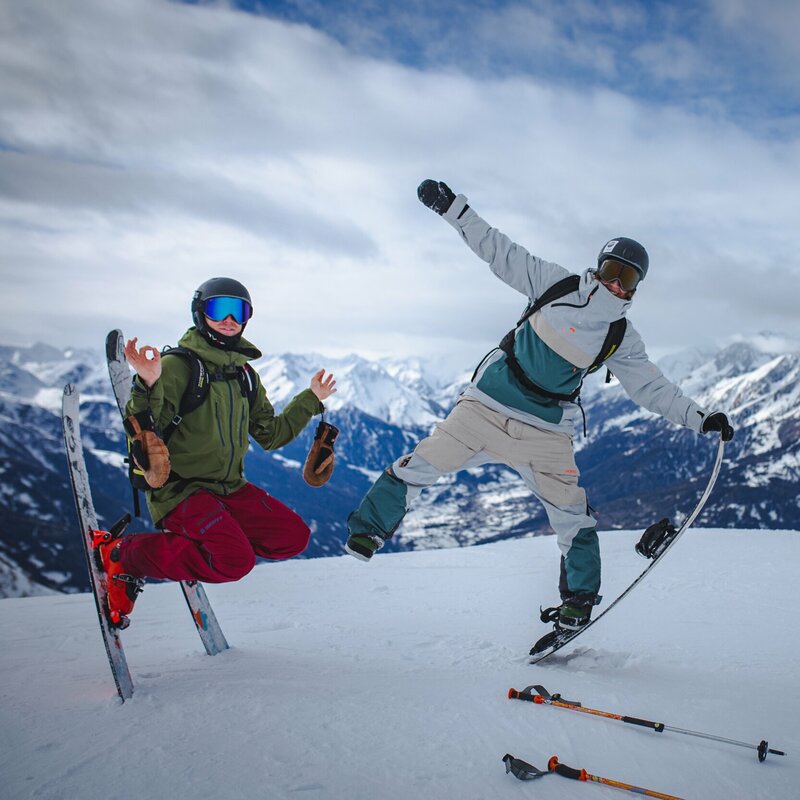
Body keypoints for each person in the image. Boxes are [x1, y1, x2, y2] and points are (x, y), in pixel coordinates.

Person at [345, 179, 733, 634]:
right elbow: (497, 249)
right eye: (610, 268)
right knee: (422, 464)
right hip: (485, 407)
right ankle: (368, 530)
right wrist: (452, 208)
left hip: (547, 432)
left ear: (634, 289)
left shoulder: (620, 338)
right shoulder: (554, 283)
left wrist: (701, 417)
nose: (614, 282)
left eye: (626, 278)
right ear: (598, 266)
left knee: (573, 515)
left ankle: (578, 604)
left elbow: (653, 388)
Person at [96, 277, 337, 624]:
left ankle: (203, 544)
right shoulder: (179, 366)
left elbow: (271, 435)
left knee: (292, 537)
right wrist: (147, 382)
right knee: (234, 561)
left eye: (238, 311)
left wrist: (310, 399)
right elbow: (147, 429)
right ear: (200, 313)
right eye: (218, 309)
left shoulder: (245, 375)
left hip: (228, 489)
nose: (229, 319)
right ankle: (122, 554)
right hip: (180, 490)